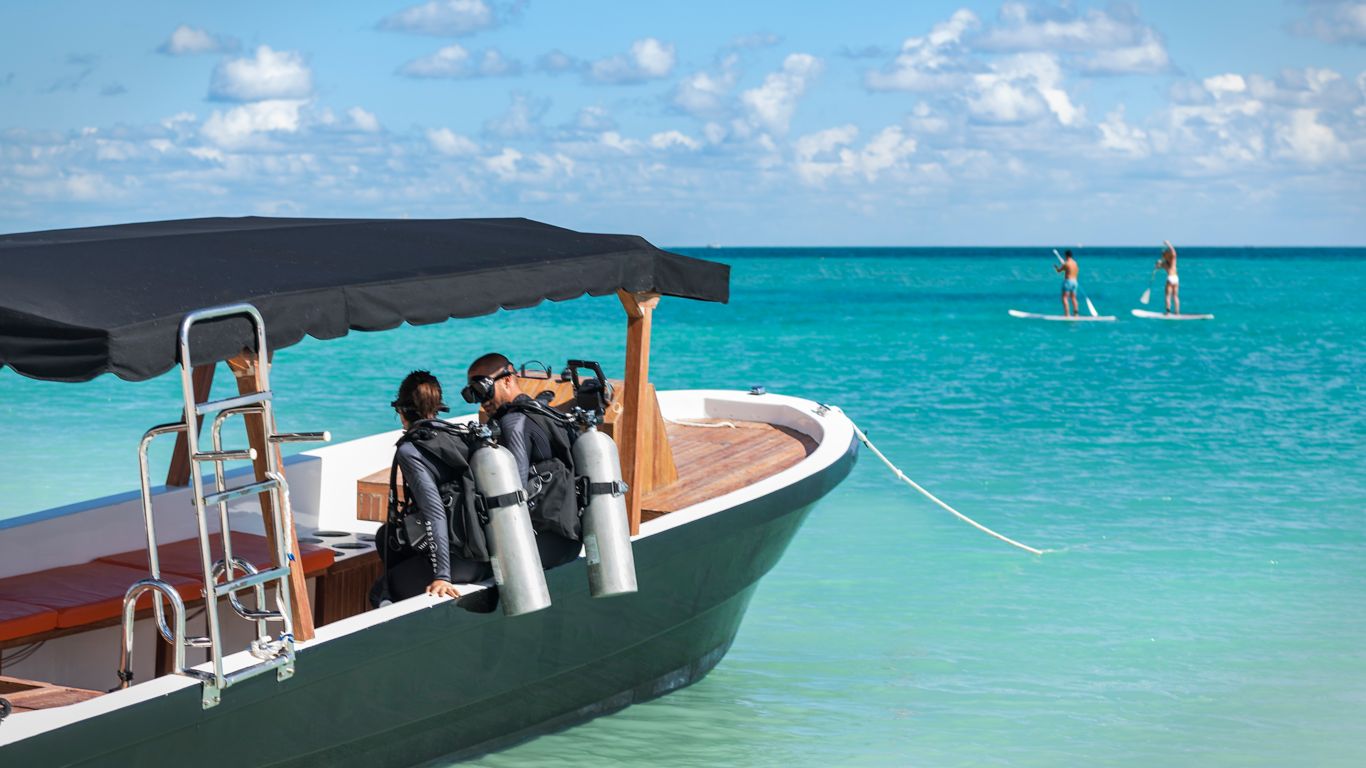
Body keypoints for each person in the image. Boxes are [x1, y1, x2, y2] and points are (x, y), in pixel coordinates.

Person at [372, 370, 490, 607]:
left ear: (401, 411)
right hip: (485, 553)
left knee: (379, 591)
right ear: (437, 408)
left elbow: (434, 513)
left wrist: (442, 576)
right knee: (386, 537)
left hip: (459, 562)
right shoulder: (455, 436)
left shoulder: (411, 451)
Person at [464, 353, 582, 570]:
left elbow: (513, 496)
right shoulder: (540, 411)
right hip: (567, 537)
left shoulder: (513, 423)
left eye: (483, 389)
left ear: (508, 379)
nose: (482, 401)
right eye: (473, 394)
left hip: (545, 542)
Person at [1054, 249, 1080, 317]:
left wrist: (1056, 267)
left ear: (1066, 255)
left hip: (1068, 281)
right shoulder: (1075, 263)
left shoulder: (1066, 263)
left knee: (1065, 298)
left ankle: (1067, 314)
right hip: (1075, 282)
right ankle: (1076, 314)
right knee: (1073, 298)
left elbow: (1059, 271)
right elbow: (1077, 271)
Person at [1157, 242, 1180, 314]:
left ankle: (1168, 312)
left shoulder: (1164, 263)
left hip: (1170, 278)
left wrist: (1158, 263)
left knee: (1168, 296)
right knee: (1175, 296)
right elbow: (1174, 253)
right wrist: (1169, 245)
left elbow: (1157, 267)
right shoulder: (1173, 261)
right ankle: (1177, 312)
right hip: (1176, 278)